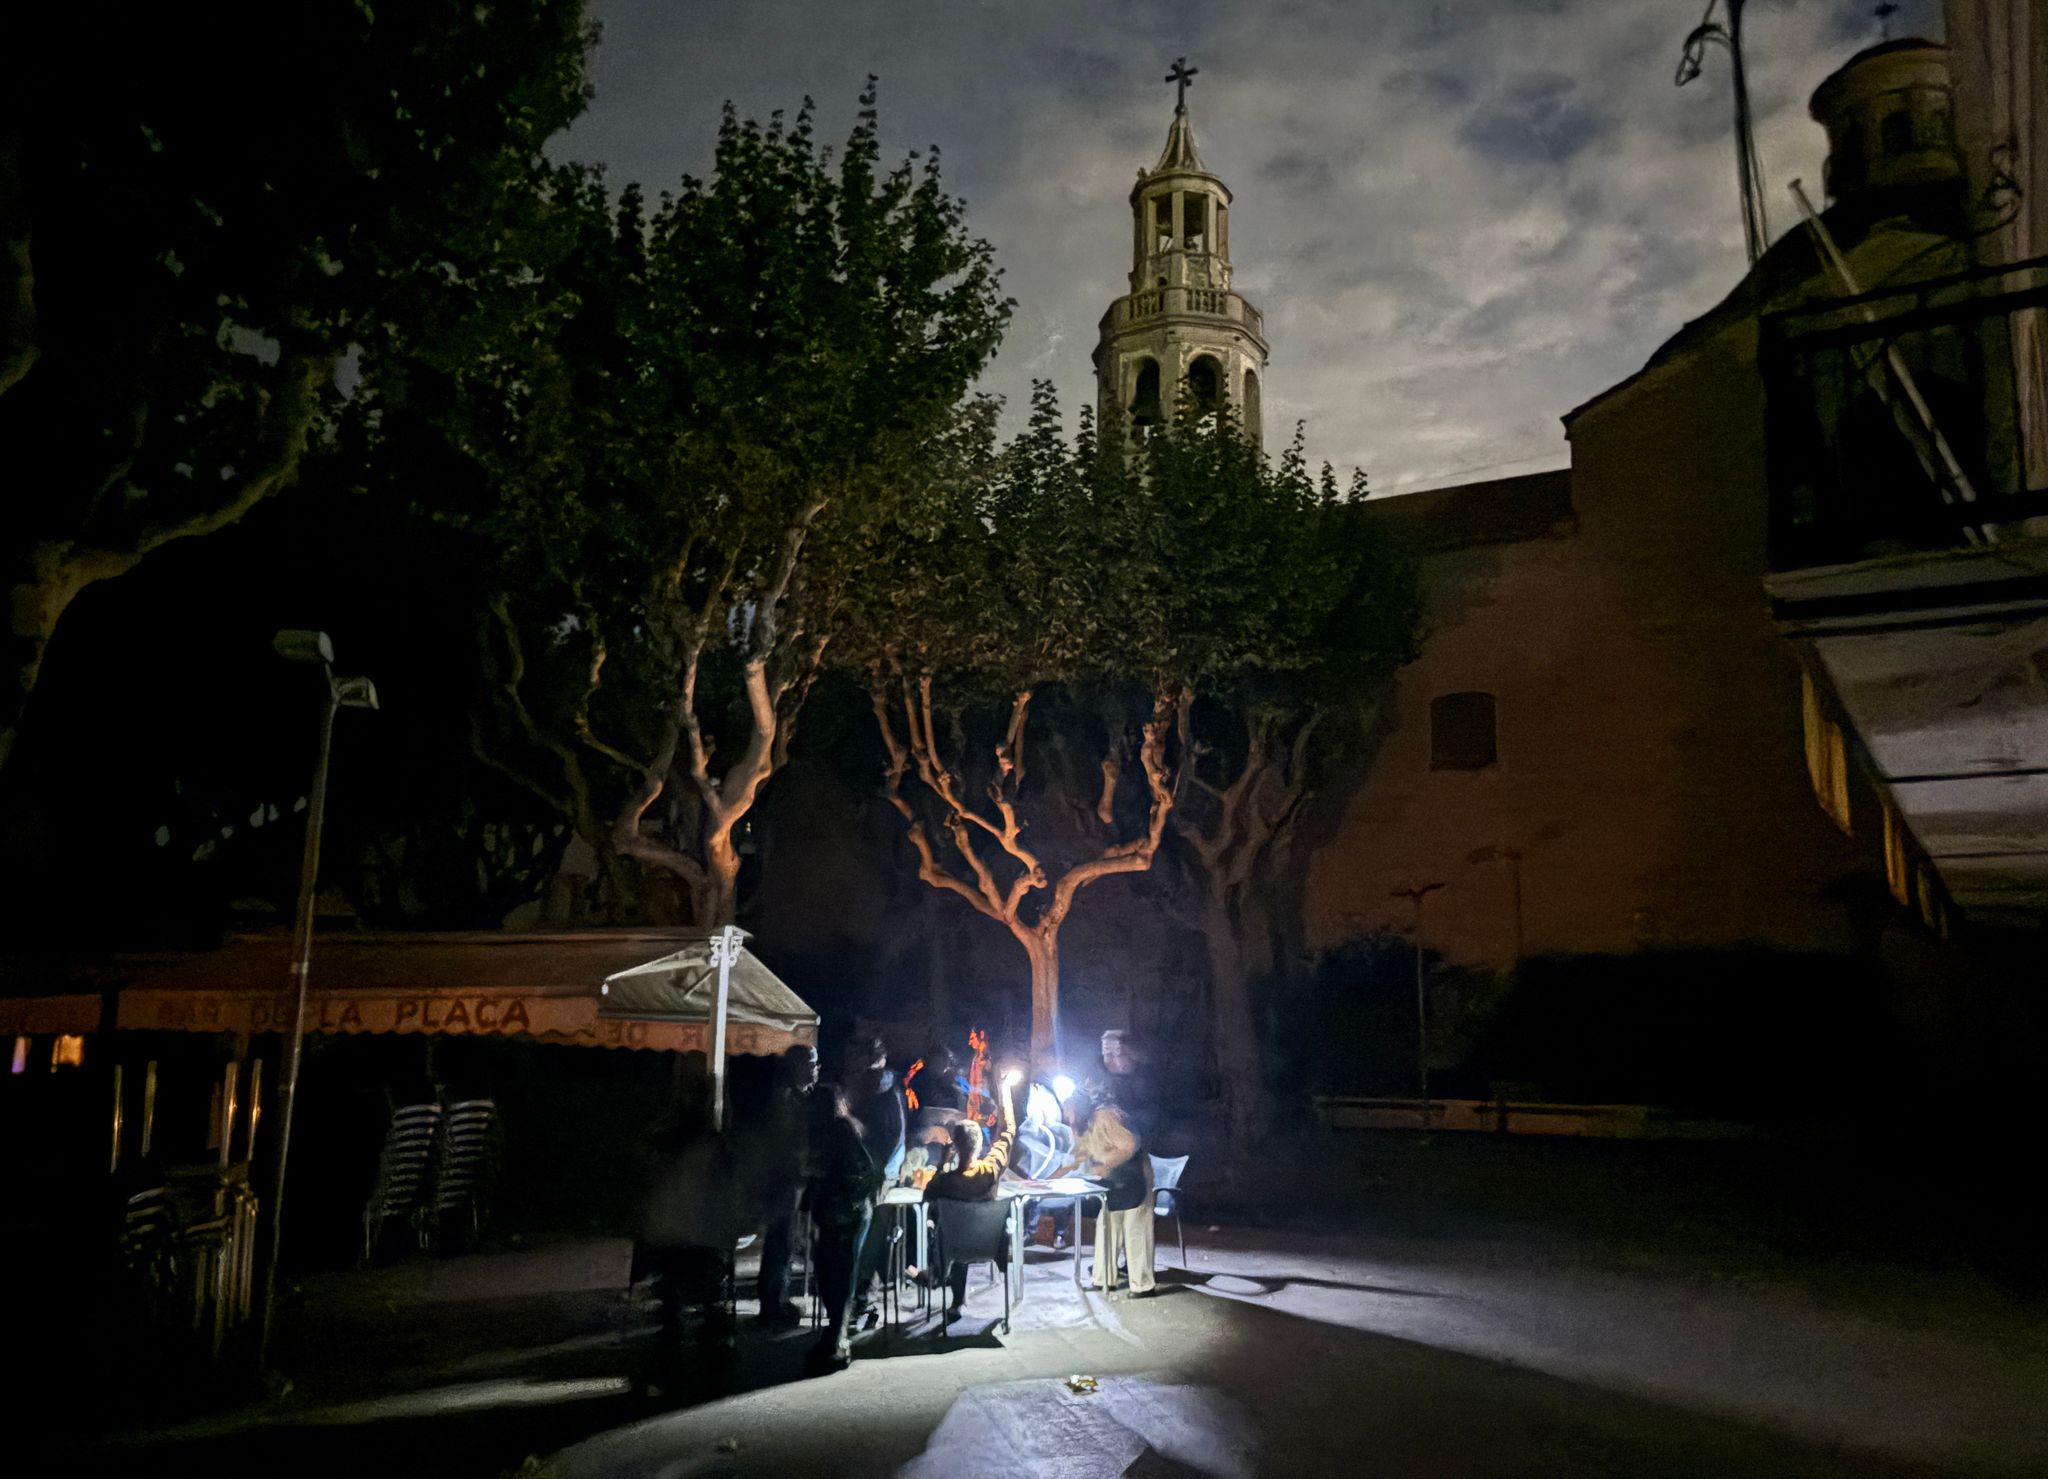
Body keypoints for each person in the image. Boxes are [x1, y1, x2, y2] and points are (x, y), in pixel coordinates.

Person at [638, 1080, 744, 1350]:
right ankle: (708, 1335)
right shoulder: (710, 1142)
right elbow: (725, 1185)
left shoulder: (665, 1138)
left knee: (674, 1289)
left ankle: (673, 1334)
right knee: (708, 1287)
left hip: (670, 1228)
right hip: (699, 1230)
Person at [918, 1073, 1017, 1322]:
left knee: (951, 1230)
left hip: (953, 1249)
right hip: (990, 1246)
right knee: (964, 1228)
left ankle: (942, 1287)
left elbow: (927, 1196)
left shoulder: (944, 1182)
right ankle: (955, 1297)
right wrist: (1005, 1090)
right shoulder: (990, 1170)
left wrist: (943, 1162)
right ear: (979, 1145)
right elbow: (1009, 1130)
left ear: (955, 1146)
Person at [803, 1085, 880, 1374]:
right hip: (834, 1215)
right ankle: (833, 1334)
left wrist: (839, 1203)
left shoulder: (841, 1131)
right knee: (828, 1275)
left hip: (847, 1217)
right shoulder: (824, 1131)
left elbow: (859, 1174)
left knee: (840, 1276)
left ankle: (838, 1341)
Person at [744, 1044, 817, 1327]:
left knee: (783, 1241)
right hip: (782, 1179)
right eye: (810, 1063)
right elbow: (786, 1142)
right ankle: (773, 1305)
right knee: (780, 1241)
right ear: (796, 1066)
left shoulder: (795, 1095)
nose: (815, 1069)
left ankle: (776, 1301)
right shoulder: (786, 1098)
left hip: (787, 1178)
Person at [1057, 1088, 1154, 1297]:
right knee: (1107, 1227)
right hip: (1111, 1184)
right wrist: (1043, 1181)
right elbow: (1075, 1158)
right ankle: (1103, 1278)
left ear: (1078, 1108)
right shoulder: (1082, 1127)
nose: (1065, 1115)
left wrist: (1106, 1164)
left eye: (1068, 1110)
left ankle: (1143, 1285)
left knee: (1135, 1231)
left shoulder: (1105, 1116)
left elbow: (1130, 1144)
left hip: (1134, 1178)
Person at [846, 1038, 906, 1329]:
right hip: (869, 1176)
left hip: (875, 1177)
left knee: (865, 1243)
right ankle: (860, 1301)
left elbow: (894, 1138)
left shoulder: (881, 1090)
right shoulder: (874, 1089)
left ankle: (860, 1302)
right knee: (864, 1243)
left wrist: (880, 1173)